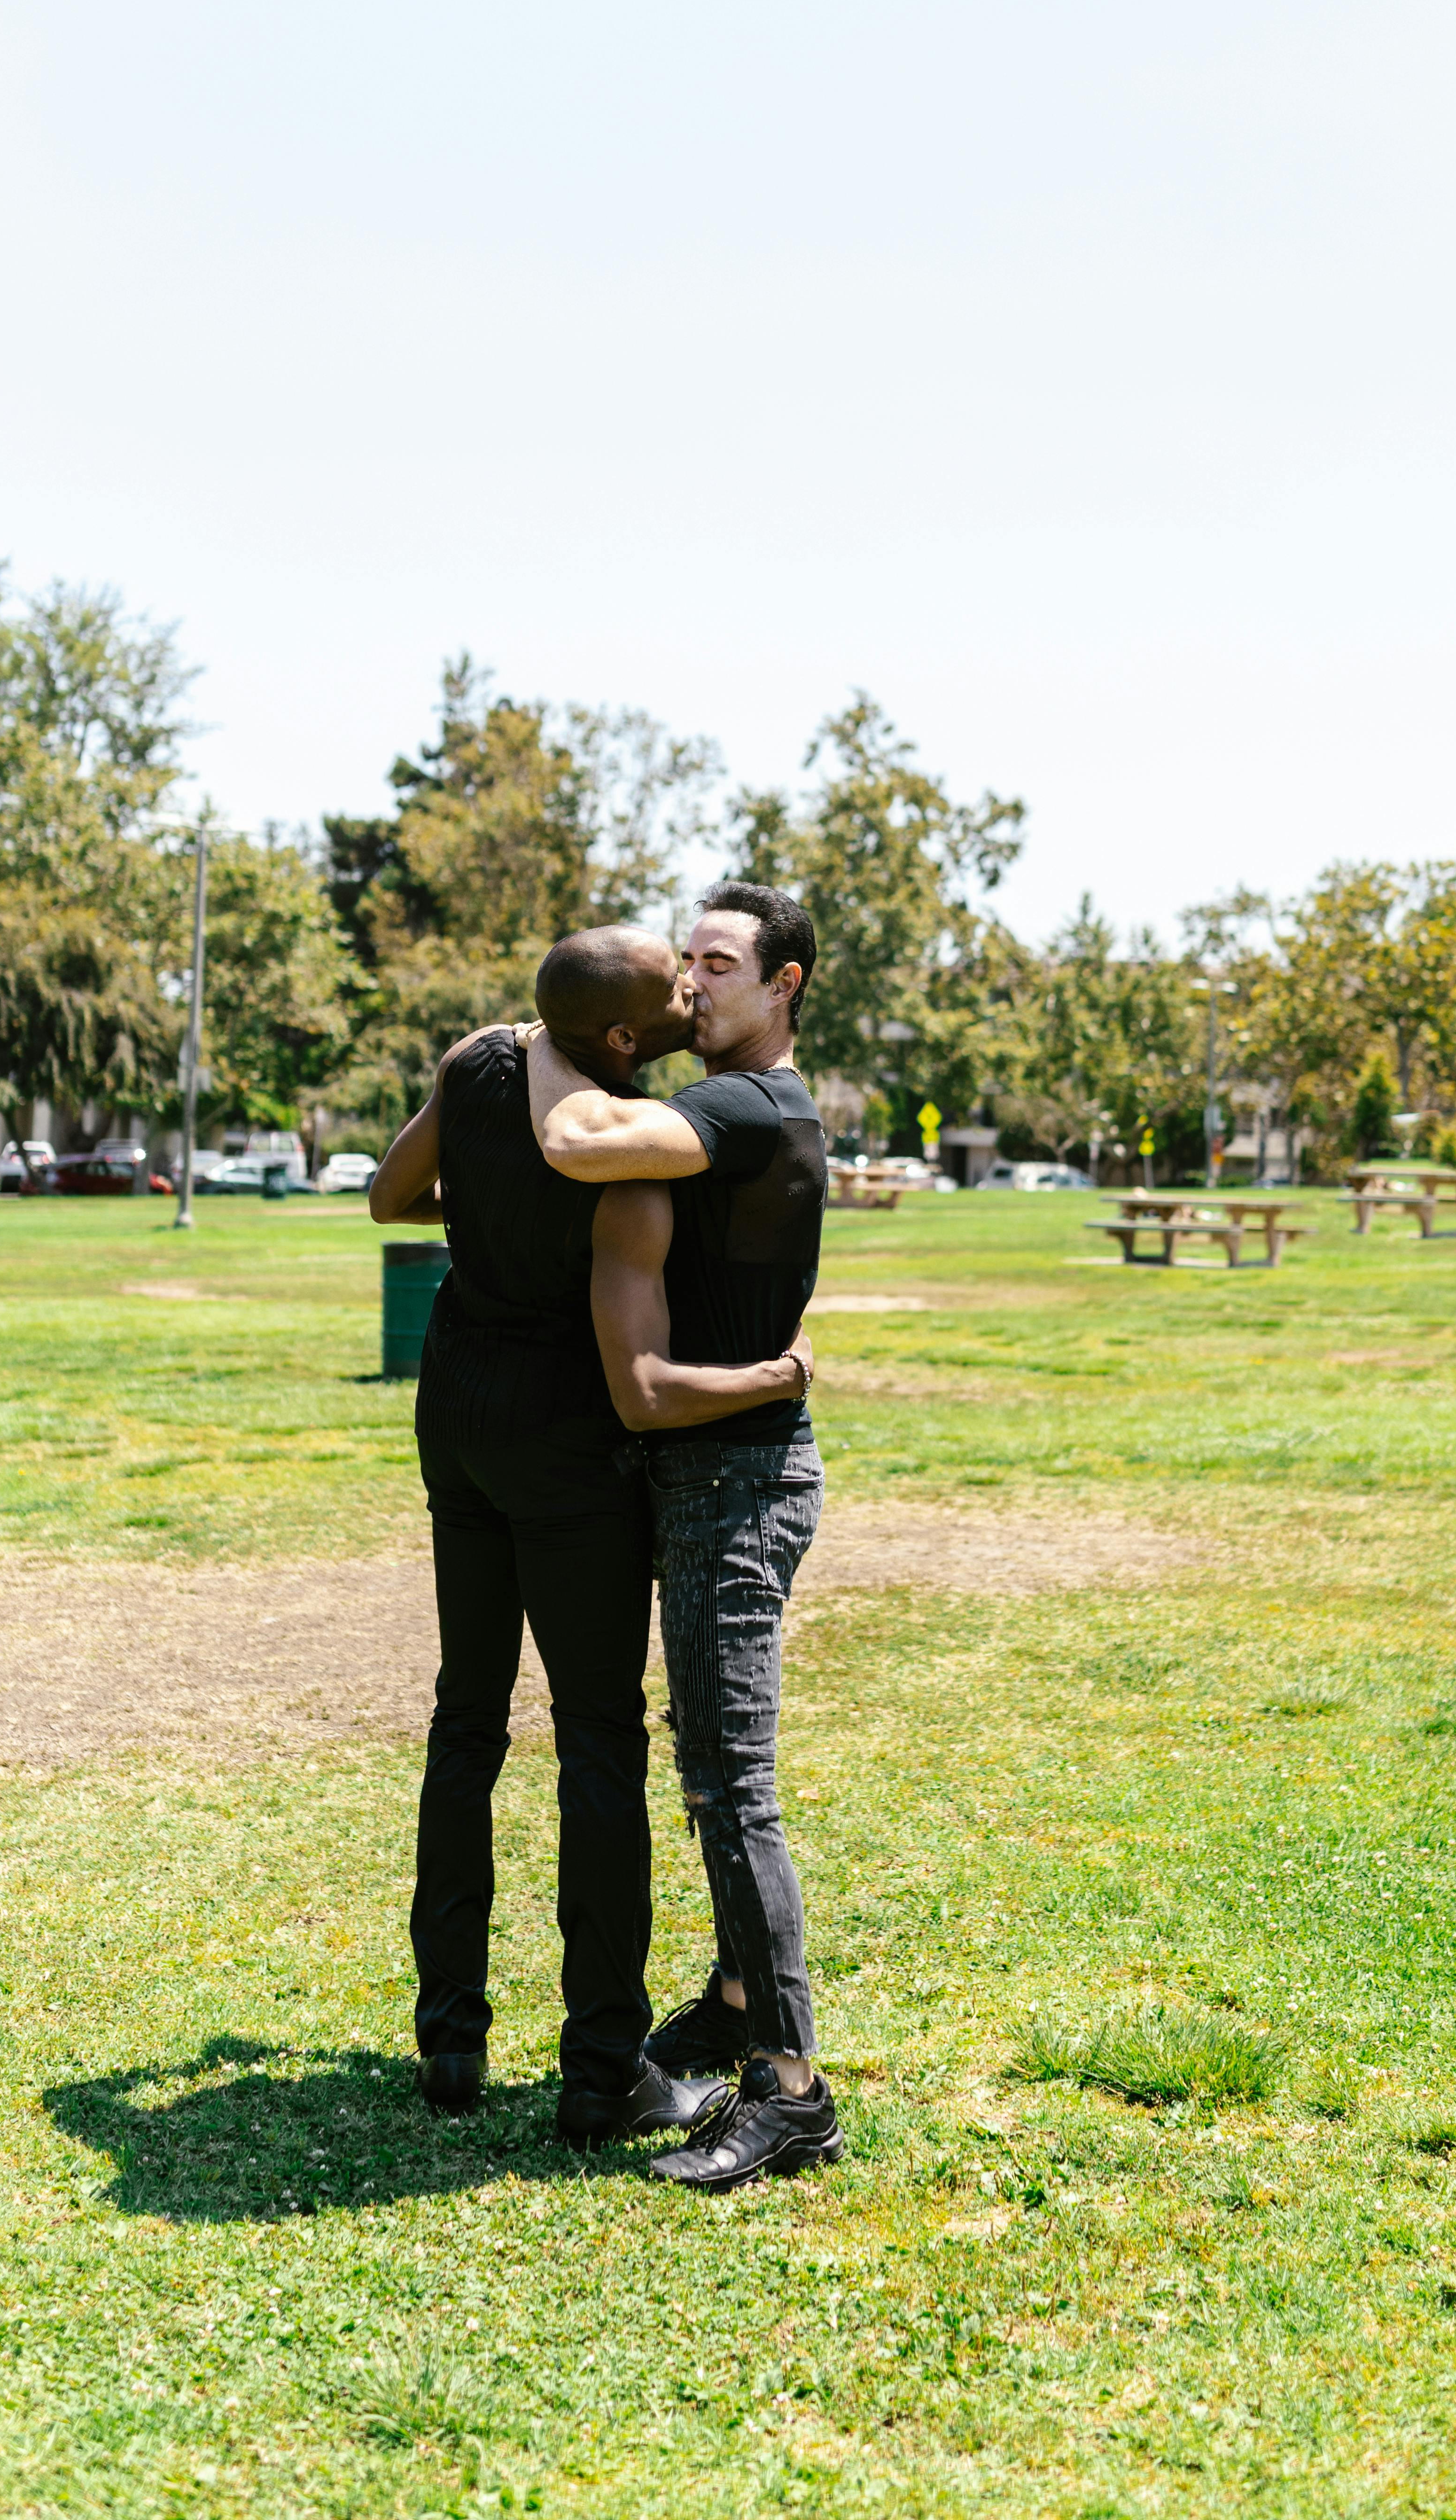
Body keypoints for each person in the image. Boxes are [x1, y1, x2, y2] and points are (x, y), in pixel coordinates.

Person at [369, 926, 811, 2151]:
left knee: (468, 1714)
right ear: (620, 1038)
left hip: (456, 1409)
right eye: (673, 989)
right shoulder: (625, 1128)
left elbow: (387, 1197)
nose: (690, 994)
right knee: (600, 1741)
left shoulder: (476, 1066)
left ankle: (451, 2034)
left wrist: (487, 1189)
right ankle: (605, 2067)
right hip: (569, 1435)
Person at [527, 883, 843, 2191]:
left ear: (784, 987)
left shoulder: (739, 1107)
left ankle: (791, 2090)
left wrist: (547, 1036)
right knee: (708, 1765)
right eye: (685, 965)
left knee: (732, 1788)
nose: (689, 989)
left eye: (718, 966)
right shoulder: (743, 1110)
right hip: (719, 1475)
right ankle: (728, 1998)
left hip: (737, 1484)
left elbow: (578, 1143)